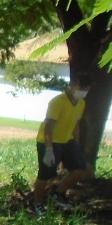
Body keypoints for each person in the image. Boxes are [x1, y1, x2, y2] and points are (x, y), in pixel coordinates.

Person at [32, 77, 90, 215]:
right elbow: (49, 126)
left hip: (67, 140)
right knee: (45, 175)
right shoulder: (58, 101)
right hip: (50, 141)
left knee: (81, 169)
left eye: (87, 90)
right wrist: (49, 149)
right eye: (82, 88)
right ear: (74, 85)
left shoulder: (81, 103)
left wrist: (76, 145)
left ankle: (58, 193)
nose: (84, 92)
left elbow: (76, 125)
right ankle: (37, 203)